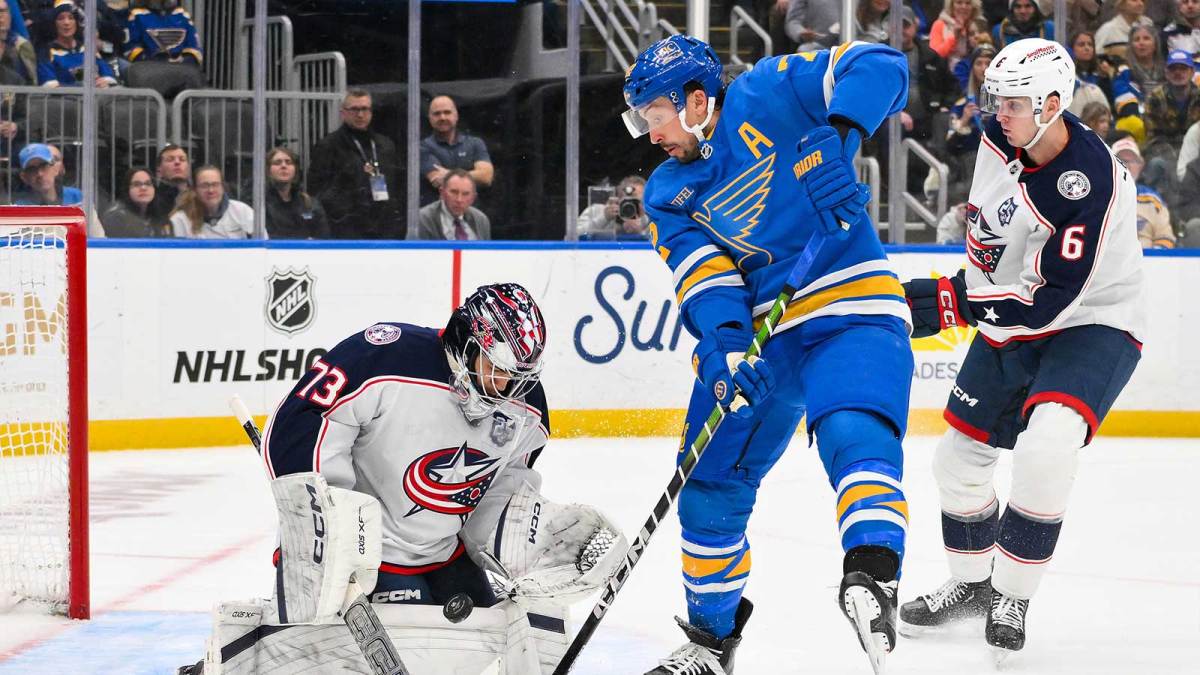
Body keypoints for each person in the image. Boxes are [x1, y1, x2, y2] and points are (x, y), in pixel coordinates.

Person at [621, 35, 914, 674]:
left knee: (850, 421)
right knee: (707, 487)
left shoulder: (767, 89)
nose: (650, 135)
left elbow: (882, 63)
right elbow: (706, 277)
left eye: (654, 116)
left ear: (695, 101)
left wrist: (840, 134)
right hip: (758, 342)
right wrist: (724, 351)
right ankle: (710, 643)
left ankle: (872, 572)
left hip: (849, 299)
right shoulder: (667, 192)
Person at [178, 284, 624, 674]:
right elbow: (298, 424)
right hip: (366, 559)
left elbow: (496, 496)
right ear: (468, 344)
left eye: (519, 375)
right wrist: (331, 524)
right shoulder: (385, 356)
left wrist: (541, 539)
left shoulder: (525, 408)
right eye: (499, 368)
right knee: (375, 660)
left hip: (446, 557)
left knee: (496, 642)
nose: (507, 386)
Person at [897, 38, 1145, 660]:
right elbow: (994, 237)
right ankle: (971, 587)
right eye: (993, 99)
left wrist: (956, 304)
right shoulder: (996, 137)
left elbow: (1053, 297)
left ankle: (1012, 594)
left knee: (1047, 446)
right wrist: (967, 291)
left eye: (1011, 102)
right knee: (956, 463)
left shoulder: (1088, 182)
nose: (996, 112)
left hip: (1093, 319)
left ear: (1052, 104)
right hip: (1010, 309)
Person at [308, 89, 404, 239]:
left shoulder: (385, 145)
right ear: (343, 113)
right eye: (354, 109)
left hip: (383, 227)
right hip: (345, 229)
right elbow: (317, 190)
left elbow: (397, 185)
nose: (360, 115)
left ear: (371, 112)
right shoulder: (328, 146)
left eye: (365, 109)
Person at [418, 95, 494, 207]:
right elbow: (437, 180)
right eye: (437, 114)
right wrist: (473, 174)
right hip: (435, 217)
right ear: (430, 118)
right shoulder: (421, 147)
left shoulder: (475, 143)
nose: (442, 117)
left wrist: (449, 174)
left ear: (456, 115)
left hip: (471, 215)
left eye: (447, 112)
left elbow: (486, 176)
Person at [1111, 136, 1178, 248]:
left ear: (1140, 166)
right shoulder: (1096, 198)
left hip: (1148, 261)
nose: (1126, 165)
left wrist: (1152, 261)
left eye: (1133, 161)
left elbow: (1166, 237)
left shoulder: (1152, 200)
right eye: (1121, 161)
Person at [35, 1, 118, 87]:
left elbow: (107, 74)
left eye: (71, 18)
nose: (66, 23)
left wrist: (104, 82)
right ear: (54, 24)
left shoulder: (87, 49)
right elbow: (50, 85)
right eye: (60, 18)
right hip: (64, 99)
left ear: (76, 23)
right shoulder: (46, 52)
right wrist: (81, 87)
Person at [169, 165, 255, 239]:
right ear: (194, 190)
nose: (211, 190)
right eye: (204, 186)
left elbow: (262, 247)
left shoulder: (242, 211)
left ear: (223, 187)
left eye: (215, 184)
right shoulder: (180, 219)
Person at [264, 146, 330, 239]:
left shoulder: (309, 204)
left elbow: (323, 238)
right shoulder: (259, 204)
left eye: (288, 162)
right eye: (277, 162)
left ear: (295, 169)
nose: (284, 166)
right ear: (268, 170)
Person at [414, 169, 490, 240]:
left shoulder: (481, 220)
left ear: (473, 197)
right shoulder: (423, 219)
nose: (459, 199)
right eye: (454, 192)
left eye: (465, 194)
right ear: (442, 192)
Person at [100, 166, 167, 237]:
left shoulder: (159, 218)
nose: (143, 188)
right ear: (127, 189)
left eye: (148, 184)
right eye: (137, 184)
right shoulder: (115, 219)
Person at [577, 175, 649, 239]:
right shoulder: (597, 211)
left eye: (635, 202)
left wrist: (641, 233)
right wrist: (604, 217)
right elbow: (576, 236)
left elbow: (658, 246)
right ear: (617, 198)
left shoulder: (652, 218)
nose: (629, 206)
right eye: (625, 200)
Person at [9, 142, 82, 205]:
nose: (39, 173)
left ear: (55, 169)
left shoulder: (76, 197)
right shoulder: (21, 208)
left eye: (44, 165)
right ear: (24, 177)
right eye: (31, 169)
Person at [929, 0, 990, 71]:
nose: (963, 7)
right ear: (951, 5)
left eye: (968, 3)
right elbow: (934, 56)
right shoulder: (940, 24)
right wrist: (955, 36)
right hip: (946, 74)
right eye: (959, 2)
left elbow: (987, 53)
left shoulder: (980, 24)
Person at [147, 143, 190, 224]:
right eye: (170, 159)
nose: (177, 162)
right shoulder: (151, 200)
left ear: (188, 167)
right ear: (159, 170)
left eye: (182, 159)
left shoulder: (199, 196)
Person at [0, 0, 36, 84]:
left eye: (3, 11)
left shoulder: (22, 45)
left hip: (17, 94)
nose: (0, 16)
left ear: (10, 15)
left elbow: (32, 82)